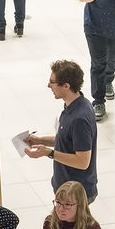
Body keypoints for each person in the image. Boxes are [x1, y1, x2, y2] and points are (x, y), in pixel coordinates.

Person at [24, 60, 98, 201]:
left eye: (52, 82)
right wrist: (39, 140)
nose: (48, 86)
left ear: (66, 86)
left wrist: (49, 153)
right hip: (65, 188)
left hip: (75, 195)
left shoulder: (79, 119)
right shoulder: (73, 105)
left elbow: (83, 161)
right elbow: (67, 140)